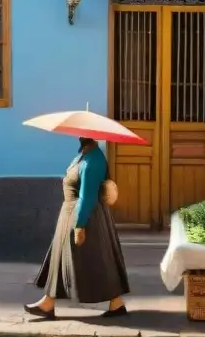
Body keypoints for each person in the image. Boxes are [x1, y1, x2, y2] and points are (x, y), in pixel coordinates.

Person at [27, 136, 130, 319]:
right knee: (64, 258)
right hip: (70, 214)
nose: (80, 137)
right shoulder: (83, 155)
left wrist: (80, 226)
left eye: (83, 134)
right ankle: (48, 303)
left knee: (97, 260)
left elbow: (87, 196)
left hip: (85, 216)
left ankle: (115, 302)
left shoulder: (94, 160)